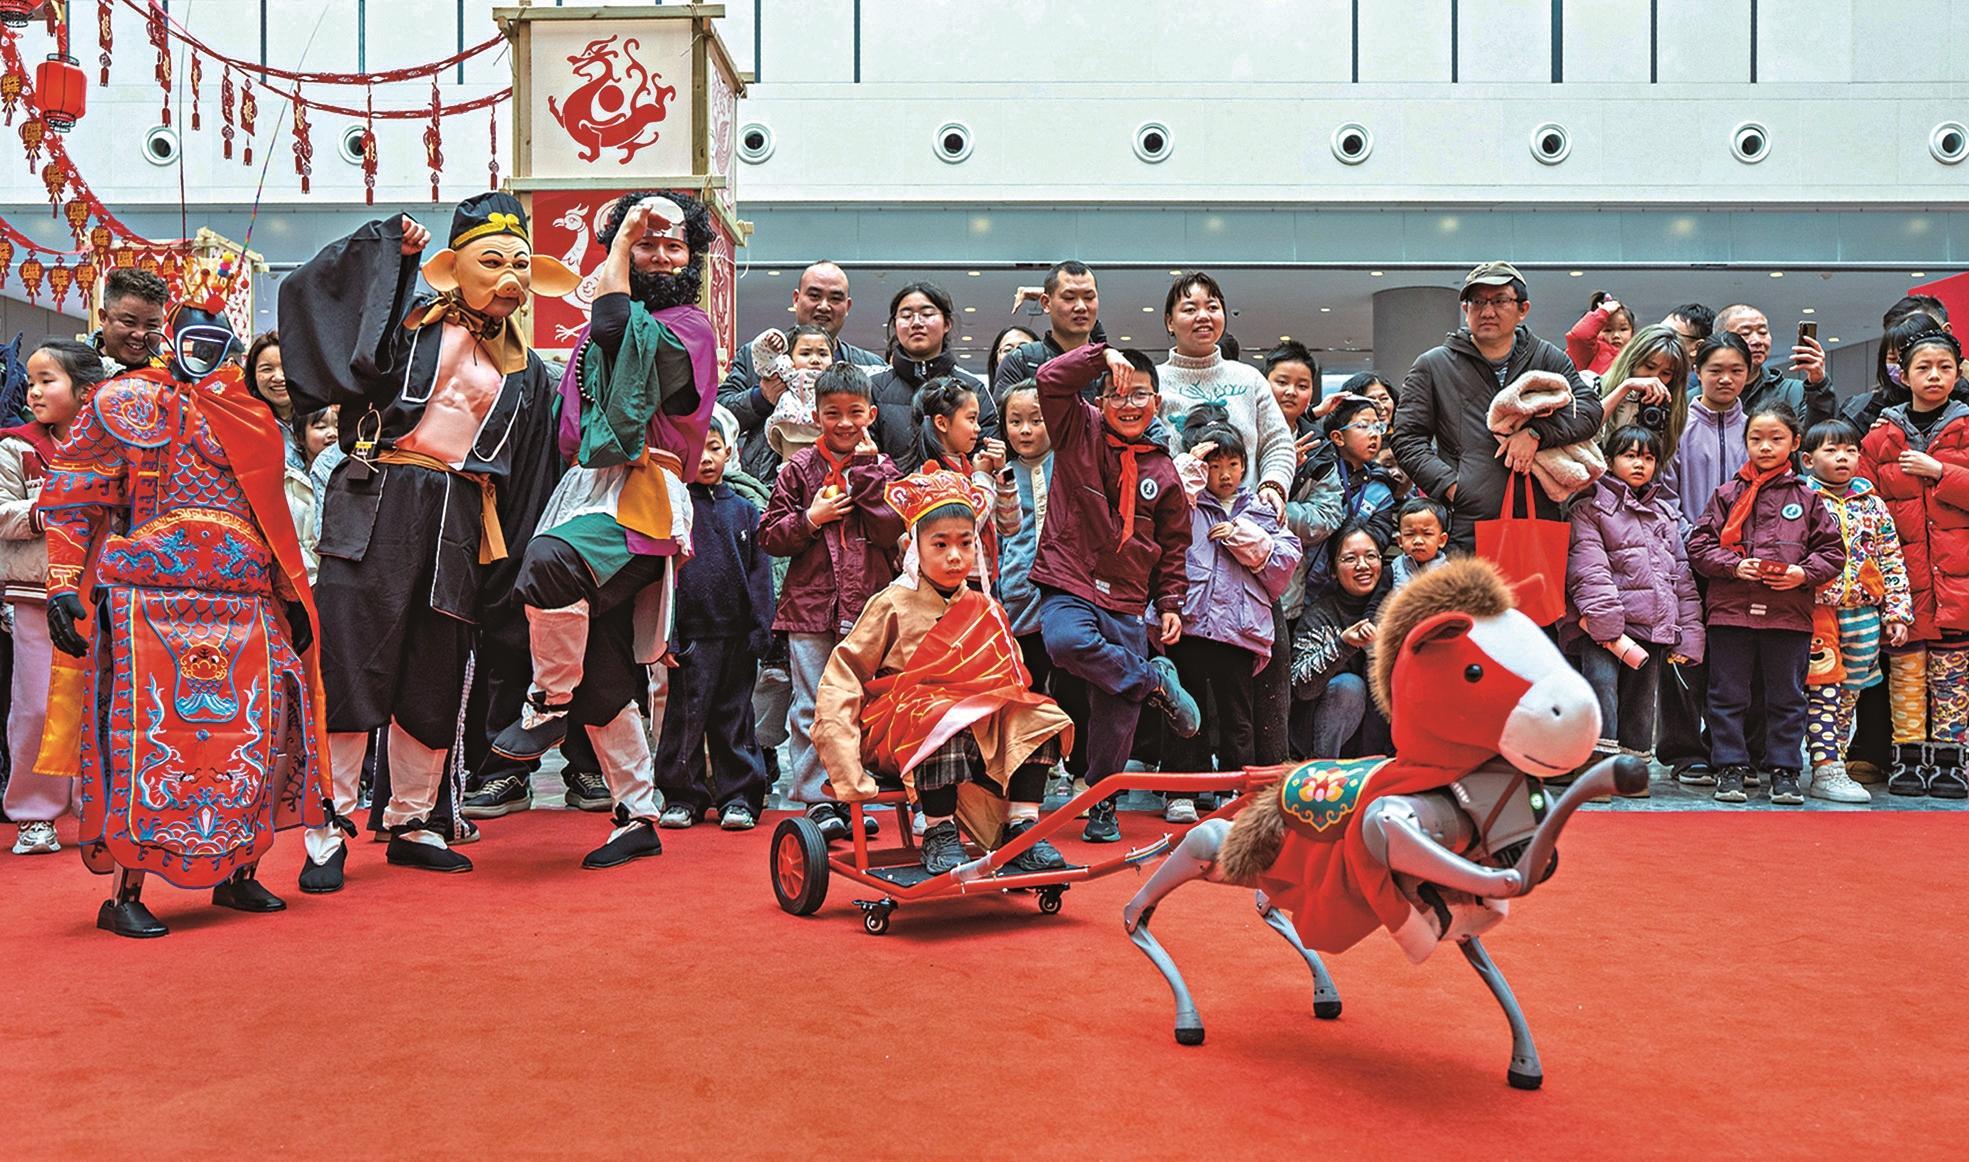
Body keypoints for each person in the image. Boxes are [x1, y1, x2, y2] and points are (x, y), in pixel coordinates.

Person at [279, 192, 577, 888]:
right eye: (492, 261)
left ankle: (413, 819)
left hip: (462, 511)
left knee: (434, 671)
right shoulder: (408, 323)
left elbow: (531, 471)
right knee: (353, 663)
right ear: (455, 266)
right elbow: (325, 314)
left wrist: (518, 565)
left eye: (520, 265)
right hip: (378, 493)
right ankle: (328, 826)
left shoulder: (527, 369)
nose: (509, 278)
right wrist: (391, 251)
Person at [39, 275, 328, 937]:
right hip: (148, 602)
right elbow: (74, 499)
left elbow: (271, 515)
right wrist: (61, 586)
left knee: (253, 737)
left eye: (216, 341)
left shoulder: (247, 410)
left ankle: (240, 871)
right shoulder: (121, 401)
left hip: (245, 598)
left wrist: (289, 596)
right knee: (143, 741)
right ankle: (126, 890)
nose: (203, 350)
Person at [487, 192, 723, 869]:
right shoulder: (589, 339)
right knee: (603, 671)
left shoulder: (689, 326)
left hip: (645, 495)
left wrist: (617, 242)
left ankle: (546, 702)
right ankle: (636, 814)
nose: (660, 256)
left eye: (673, 245)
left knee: (547, 564)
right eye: (646, 243)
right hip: (583, 492)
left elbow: (620, 327)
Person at [816, 469, 1072, 876]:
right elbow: (843, 676)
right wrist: (844, 762)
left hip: (975, 719)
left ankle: (1021, 828)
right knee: (944, 714)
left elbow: (1010, 679)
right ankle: (939, 830)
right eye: (940, 544)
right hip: (903, 724)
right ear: (911, 546)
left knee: (1040, 713)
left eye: (965, 543)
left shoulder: (986, 607)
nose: (955, 555)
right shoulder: (890, 603)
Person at [1031, 343, 1198, 843]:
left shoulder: (1164, 471)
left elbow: (1174, 545)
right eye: (1117, 395)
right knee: (1065, 642)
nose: (1128, 404)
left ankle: (1102, 800)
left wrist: (1170, 602)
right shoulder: (1077, 429)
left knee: (1117, 710)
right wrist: (1100, 357)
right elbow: (1049, 380)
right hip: (1070, 576)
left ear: (1157, 403)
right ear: (1099, 401)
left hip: (1127, 594)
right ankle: (1152, 679)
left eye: (1139, 395)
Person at [759, 361, 905, 841]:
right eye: (832, 413)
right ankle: (816, 798)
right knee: (811, 704)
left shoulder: (884, 468)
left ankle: (850, 795)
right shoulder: (798, 469)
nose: (844, 423)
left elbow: (890, 529)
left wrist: (865, 473)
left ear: (871, 414)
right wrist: (810, 518)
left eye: (855, 412)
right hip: (809, 610)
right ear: (815, 415)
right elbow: (770, 536)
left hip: (869, 609)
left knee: (860, 705)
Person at [1687, 404, 1845, 806]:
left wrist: (1801, 574)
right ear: (1746, 443)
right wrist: (1734, 566)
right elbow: (1699, 546)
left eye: (1776, 439)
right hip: (1730, 612)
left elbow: (1832, 552)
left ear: (1795, 443)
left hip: (1788, 615)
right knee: (1726, 695)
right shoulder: (1727, 494)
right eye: (1756, 439)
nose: (1765, 447)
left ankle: (1785, 771)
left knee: (1787, 697)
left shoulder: (1808, 498)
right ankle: (1730, 767)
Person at [1389, 261, 1601, 550]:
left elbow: (1588, 411)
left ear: (1523, 309)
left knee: (1538, 582)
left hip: (1538, 515)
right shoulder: (1433, 365)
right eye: (1477, 302)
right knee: (1469, 583)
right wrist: (1453, 487)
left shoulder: (1547, 358)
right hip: (1467, 523)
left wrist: (1537, 433)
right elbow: (1407, 439)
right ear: (1465, 309)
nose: (1487, 311)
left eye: (1500, 301)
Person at [1162, 418, 1301, 822]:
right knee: (1185, 713)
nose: (1225, 474)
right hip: (1189, 625)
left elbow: (1283, 565)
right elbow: (1163, 523)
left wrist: (1242, 537)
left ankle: (1234, 793)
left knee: (1238, 716)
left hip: (1239, 631)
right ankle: (1181, 792)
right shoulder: (1185, 504)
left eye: (1234, 465)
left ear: (1246, 465)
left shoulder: (1261, 509)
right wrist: (1189, 466)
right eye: (1214, 465)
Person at [0, 340, 103, 854]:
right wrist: (50, 508)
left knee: (98, 702)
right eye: (33, 382)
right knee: (36, 707)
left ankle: (96, 805)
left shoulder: (114, 446)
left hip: (102, 593)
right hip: (36, 595)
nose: (34, 392)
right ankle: (34, 813)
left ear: (86, 392)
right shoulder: (14, 447)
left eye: (48, 381)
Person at [1859, 330, 1969, 800]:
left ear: (1958, 373)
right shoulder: (1879, 436)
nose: (1935, 376)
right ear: (1902, 376)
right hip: (1902, 579)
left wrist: (1941, 472)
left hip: (1958, 580)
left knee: (1952, 675)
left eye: (1945, 367)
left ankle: (1951, 762)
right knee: (1905, 673)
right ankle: (1907, 758)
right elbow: (1862, 503)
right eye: (1923, 368)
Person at [1563, 425, 1703, 787]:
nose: (1640, 464)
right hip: (1603, 629)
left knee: (1641, 705)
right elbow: (1588, 569)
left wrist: (1689, 635)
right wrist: (1606, 624)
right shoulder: (1589, 509)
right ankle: (1595, 773)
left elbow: (1682, 578)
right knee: (1601, 694)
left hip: (1652, 628)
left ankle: (1630, 774)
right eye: (1630, 456)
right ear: (1609, 461)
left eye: (1648, 457)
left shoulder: (1666, 516)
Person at [654, 411, 773, 829]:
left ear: (730, 452)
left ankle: (739, 798)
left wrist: (762, 628)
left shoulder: (746, 511)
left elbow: (760, 575)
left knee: (735, 717)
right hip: (691, 635)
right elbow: (663, 579)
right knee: (685, 719)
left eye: (714, 448)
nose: (705, 458)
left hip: (738, 635)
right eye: (696, 449)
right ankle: (681, 797)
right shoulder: (673, 509)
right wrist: (665, 635)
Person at [1659, 332, 1754, 788]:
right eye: (1716, 370)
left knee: (1735, 663)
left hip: (1741, 565)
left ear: (1749, 374)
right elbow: (1664, 495)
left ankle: (1729, 749)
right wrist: (1694, 544)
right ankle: (1684, 750)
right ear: (1697, 372)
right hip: (1686, 559)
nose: (1726, 379)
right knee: (1684, 657)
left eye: (1737, 370)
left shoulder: (1756, 429)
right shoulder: (1678, 425)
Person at [1802, 418, 1912, 804]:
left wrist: (1897, 612)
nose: (1842, 458)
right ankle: (1821, 764)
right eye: (1831, 450)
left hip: (1863, 612)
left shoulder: (1873, 504)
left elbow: (1891, 559)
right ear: (1808, 459)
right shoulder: (1802, 498)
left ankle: (1835, 761)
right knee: (1821, 690)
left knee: (1848, 693)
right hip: (1817, 612)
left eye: (1850, 450)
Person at [719, 261, 886, 481]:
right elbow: (720, 415)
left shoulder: (868, 366)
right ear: (796, 299)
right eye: (814, 296)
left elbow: (884, 430)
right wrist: (761, 398)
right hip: (768, 485)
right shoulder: (757, 356)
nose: (824, 306)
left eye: (835, 299)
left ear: (847, 306)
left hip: (848, 486)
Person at [1291, 522, 1393, 758]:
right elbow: (1300, 685)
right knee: (1349, 686)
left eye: (1371, 556)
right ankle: (1323, 767)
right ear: (1332, 570)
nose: (1362, 565)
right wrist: (1342, 645)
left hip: (1379, 741)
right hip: (1324, 743)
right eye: (1350, 559)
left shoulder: (1396, 608)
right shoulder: (1320, 614)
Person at [870, 282, 994, 471]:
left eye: (927, 314)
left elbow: (985, 451)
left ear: (947, 323)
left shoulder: (973, 387)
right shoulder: (874, 387)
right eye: (906, 316)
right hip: (891, 489)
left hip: (961, 488)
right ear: (895, 325)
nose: (916, 323)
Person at [991, 260, 1103, 396]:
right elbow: (1006, 409)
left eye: (1089, 297)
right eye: (1069, 297)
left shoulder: (1108, 364)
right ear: (1045, 303)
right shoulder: (1021, 361)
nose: (1081, 307)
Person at [1715, 303, 1834, 430]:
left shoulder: (1794, 391)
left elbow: (1819, 436)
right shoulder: (1704, 392)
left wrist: (1818, 384)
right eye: (1745, 333)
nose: (1757, 341)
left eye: (1763, 332)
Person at [1597, 325, 1690, 466]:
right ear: (1632, 360)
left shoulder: (1670, 407)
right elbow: (1582, 432)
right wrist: (1625, 387)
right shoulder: (1592, 385)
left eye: (1666, 373)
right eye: (1649, 367)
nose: (1654, 377)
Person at [753, 322, 836, 463]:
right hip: (790, 433)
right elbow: (763, 361)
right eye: (805, 353)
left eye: (822, 354)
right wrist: (770, 340)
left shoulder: (838, 378)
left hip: (824, 439)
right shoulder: (787, 372)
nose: (815, 360)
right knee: (790, 471)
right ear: (789, 359)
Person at [1325, 394, 1399, 538]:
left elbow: (1380, 536)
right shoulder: (1321, 473)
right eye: (1363, 426)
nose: (1374, 434)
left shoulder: (1380, 487)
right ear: (1338, 437)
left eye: (1377, 427)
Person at [283, 404, 339, 581]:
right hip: (305, 579)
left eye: (338, 426)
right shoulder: (289, 478)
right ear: (299, 437)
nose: (332, 433)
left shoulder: (353, 475)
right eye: (321, 427)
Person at [90, 267, 168, 375]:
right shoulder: (73, 374)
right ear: (103, 317)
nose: (140, 334)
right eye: (129, 322)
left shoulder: (175, 375)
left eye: (152, 326)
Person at [245, 331, 298, 461]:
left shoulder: (327, 418)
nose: (279, 378)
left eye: (287, 367)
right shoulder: (244, 423)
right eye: (267, 369)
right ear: (253, 376)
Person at [1565, 291, 1635, 378]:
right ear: (1596, 332)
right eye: (1608, 330)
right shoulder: (1590, 353)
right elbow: (1579, 337)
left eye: (1623, 329)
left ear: (1632, 331)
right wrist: (1603, 312)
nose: (1616, 335)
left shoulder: (1638, 356)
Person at [1389, 495, 1450, 590]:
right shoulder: (1392, 570)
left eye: (1427, 533)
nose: (1418, 541)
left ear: (1442, 540)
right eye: (1409, 534)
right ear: (1400, 541)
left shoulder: (1451, 573)